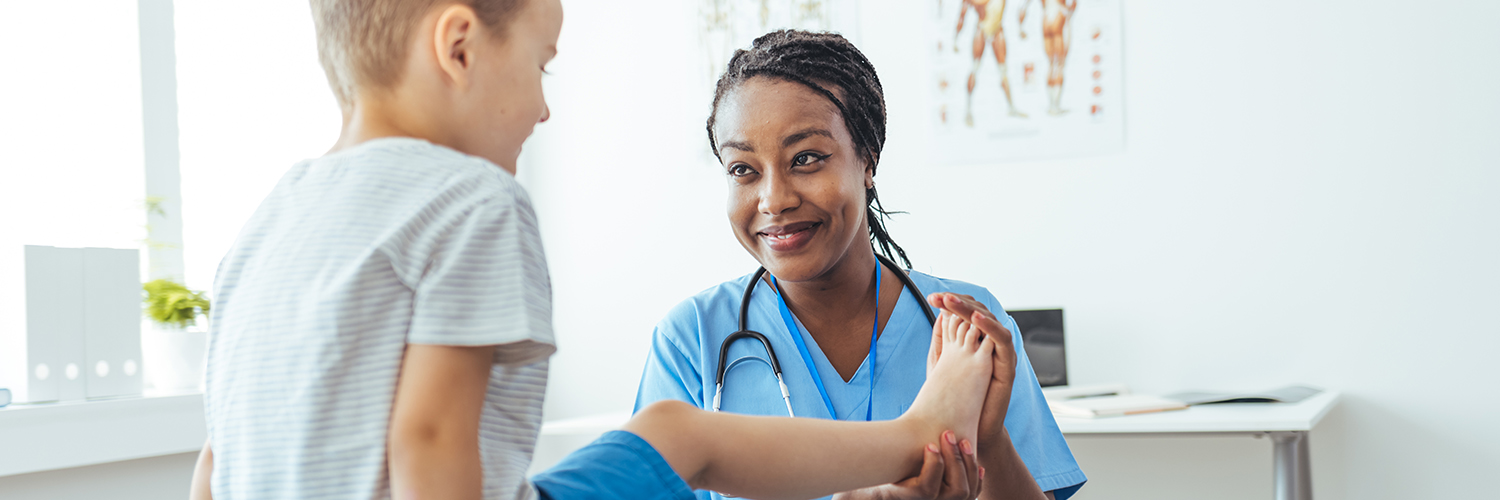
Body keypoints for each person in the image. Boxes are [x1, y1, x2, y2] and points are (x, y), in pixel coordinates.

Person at [185, 1, 1014, 499]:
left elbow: (216, 463)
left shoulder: (268, 219)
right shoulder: (468, 200)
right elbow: (431, 439)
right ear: (459, 45)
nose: (544, 110)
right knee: (680, 434)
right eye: (543, 64)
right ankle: (923, 428)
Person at [635, 30, 1087, 500]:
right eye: (743, 169)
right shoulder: (693, 339)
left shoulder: (963, 326)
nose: (774, 199)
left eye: (806, 158)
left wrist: (988, 440)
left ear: (867, 159)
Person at [955, 0, 1027, 124]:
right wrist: (955, 38)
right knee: (975, 67)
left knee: (1003, 70)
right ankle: (968, 110)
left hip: (997, 29)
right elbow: (963, 14)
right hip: (982, 29)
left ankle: (1011, 107)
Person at [1019, 0, 1076, 115]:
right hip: (1059, 15)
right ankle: (1056, 106)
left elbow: (1025, 5)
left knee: (1051, 64)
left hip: (1046, 19)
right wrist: (1069, 13)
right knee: (1060, 64)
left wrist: (1021, 26)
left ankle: (1051, 105)